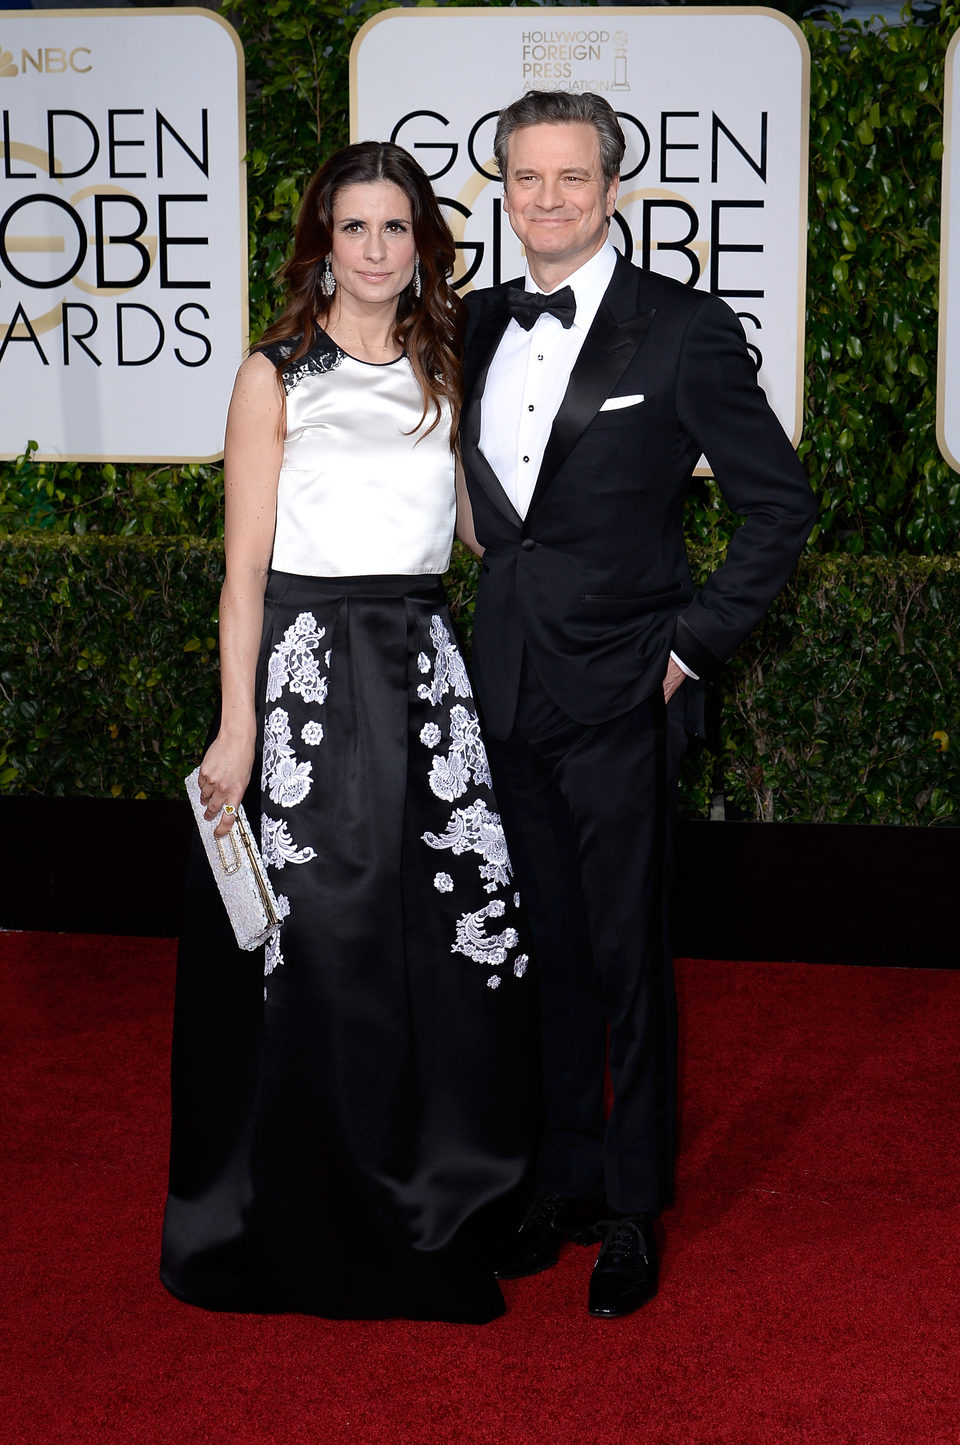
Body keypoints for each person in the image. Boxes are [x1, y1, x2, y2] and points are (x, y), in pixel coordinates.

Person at [160, 141, 535, 1325]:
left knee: (448, 945)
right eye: (354, 229)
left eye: (394, 229)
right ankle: (314, 1204)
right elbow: (243, 577)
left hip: (426, 676)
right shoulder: (276, 375)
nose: (375, 251)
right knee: (320, 951)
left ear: (424, 241)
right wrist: (238, 729)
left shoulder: (446, 365)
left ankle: (441, 1191)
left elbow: (482, 532)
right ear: (323, 243)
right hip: (314, 678)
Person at [458, 91, 818, 1318]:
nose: (546, 199)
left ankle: (630, 1204)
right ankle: (557, 1176)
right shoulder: (471, 323)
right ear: (501, 187)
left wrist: (692, 648)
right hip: (504, 684)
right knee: (546, 947)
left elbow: (780, 503)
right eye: (525, 177)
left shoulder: (680, 328)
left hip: (622, 692)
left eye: (570, 177)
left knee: (625, 959)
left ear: (614, 188)